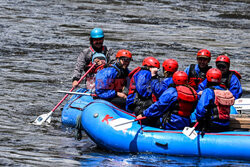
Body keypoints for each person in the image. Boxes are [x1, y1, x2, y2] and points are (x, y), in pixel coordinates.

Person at [196, 68, 235, 133]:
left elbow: (200, 110)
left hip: (211, 126)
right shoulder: (225, 91)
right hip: (225, 125)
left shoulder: (208, 91)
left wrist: (199, 119)